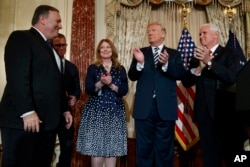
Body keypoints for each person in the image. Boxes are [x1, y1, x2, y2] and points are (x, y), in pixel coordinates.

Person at [0, 5, 73, 167]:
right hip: (23, 124)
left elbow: (54, 82)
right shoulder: (22, 38)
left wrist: (64, 109)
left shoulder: (48, 47)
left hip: (45, 125)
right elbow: (17, 77)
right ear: (42, 19)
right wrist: (27, 111)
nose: (60, 25)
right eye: (58, 21)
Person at [182, 23, 246, 167]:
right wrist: (199, 67)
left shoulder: (230, 53)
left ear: (215, 35)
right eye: (199, 34)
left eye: (204, 33)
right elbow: (186, 82)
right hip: (205, 115)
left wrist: (209, 62)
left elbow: (232, 77)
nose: (201, 36)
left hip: (226, 114)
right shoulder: (196, 56)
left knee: (233, 156)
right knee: (210, 157)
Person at [128, 22, 186, 167]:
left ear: (163, 34)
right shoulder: (140, 52)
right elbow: (132, 76)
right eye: (148, 31)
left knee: (165, 149)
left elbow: (181, 74)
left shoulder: (174, 54)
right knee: (144, 149)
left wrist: (166, 65)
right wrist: (140, 63)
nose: (150, 33)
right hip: (144, 107)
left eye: (154, 30)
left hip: (165, 107)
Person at [76, 38, 128, 167]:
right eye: (102, 47)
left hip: (115, 112)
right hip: (96, 111)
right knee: (97, 148)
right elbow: (88, 89)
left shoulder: (120, 68)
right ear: (99, 51)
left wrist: (111, 84)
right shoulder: (93, 68)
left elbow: (124, 90)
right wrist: (100, 83)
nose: (105, 49)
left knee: (112, 148)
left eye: (108, 47)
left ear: (112, 50)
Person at [51, 33, 81, 167]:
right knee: (45, 149)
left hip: (66, 114)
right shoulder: (46, 65)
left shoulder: (71, 67)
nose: (62, 48)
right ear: (51, 46)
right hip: (47, 114)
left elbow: (77, 89)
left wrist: (75, 97)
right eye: (58, 45)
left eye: (64, 45)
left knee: (67, 147)